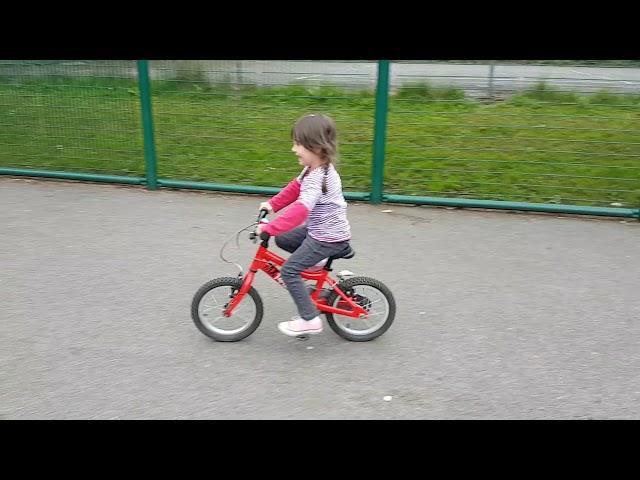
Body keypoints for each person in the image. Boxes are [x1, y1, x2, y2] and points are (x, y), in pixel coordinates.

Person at [256, 113, 352, 337]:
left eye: (298, 144)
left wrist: (270, 227)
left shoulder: (319, 177)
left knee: (289, 271)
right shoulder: (312, 169)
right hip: (319, 232)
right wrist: (272, 204)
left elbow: (301, 209)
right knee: (284, 239)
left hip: (328, 238)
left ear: (316, 147)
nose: (293, 149)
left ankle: (310, 320)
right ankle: (316, 264)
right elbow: (294, 188)